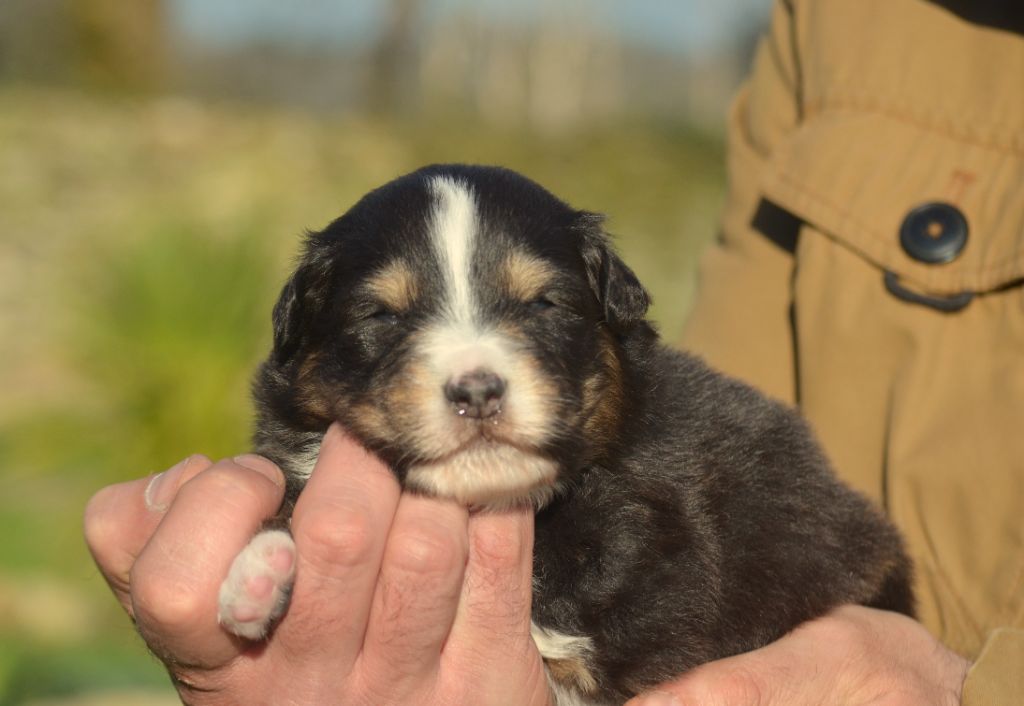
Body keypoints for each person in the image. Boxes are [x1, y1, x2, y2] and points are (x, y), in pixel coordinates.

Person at [85, 0, 1022, 703]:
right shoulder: (838, 23)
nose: (474, 375)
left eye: (535, 307)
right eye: (384, 319)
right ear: (304, 340)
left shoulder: (669, 465)